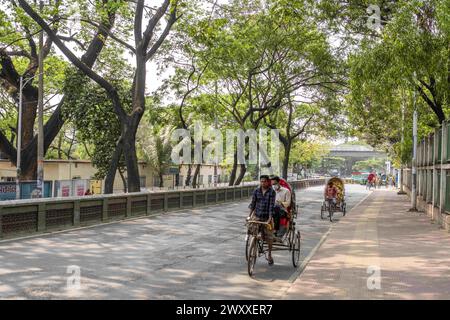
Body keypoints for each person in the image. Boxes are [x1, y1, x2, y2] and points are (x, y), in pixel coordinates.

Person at [248, 175, 276, 265]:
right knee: (251, 229)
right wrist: (249, 216)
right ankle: (253, 243)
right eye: (261, 181)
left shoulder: (272, 192)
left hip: (267, 217)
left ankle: (270, 254)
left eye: (264, 181)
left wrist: (270, 218)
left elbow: (271, 206)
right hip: (257, 215)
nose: (262, 183)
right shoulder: (256, 190)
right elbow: (253, 204)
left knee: (269, 237)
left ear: (268, 182)